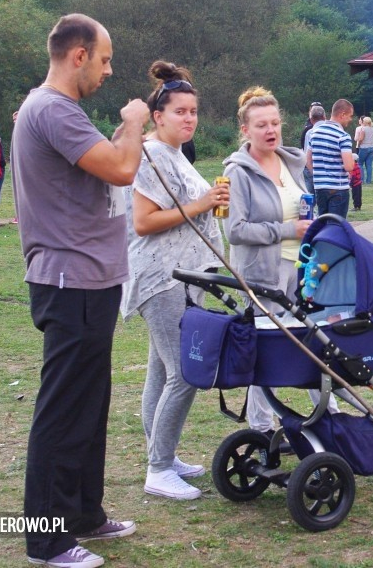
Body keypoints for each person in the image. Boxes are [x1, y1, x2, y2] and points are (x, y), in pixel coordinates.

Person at [14, 14, 147, 567]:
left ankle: (84, 514)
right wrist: (136, 122)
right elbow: (120, 170)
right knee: (64, 410)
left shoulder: (60, 113)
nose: (109, 70)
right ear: (78, 56)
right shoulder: (52, 109)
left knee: (89, 406)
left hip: (91, 279)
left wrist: (121, 135)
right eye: (105, 59)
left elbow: (100, 166)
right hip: (70, 281)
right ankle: (47, 542)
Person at [121, 61, 226, 502]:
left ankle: (161, 454)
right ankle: (158, 468)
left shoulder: (175, 155)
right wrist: (203, 203)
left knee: (161, 370)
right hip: (161, 278)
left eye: (193, 111)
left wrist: (210, 205)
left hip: (184, 278)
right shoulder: (149, 155)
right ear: (157, 115)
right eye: (179, 111)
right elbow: (144, 222)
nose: (188, 118)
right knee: (185, 372)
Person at [223, 86, 338, 435]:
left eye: (274, 123)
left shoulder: (292, 162)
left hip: (300, 269)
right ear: (245, 130)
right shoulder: (237, 172)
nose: (270, 130)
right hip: (260, 273)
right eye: (261, 125)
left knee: (312, 337)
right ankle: (261, 428)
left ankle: (329, 414)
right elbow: (236, 230)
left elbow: (302, 208)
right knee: (264, 350)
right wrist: (287, 230)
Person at [306, 99, 356, 219]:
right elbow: (349, 166)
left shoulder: (314, 133)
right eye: (350, 116)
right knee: (335, 228)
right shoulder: (343, 136)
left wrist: (318, 175)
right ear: (342, 114)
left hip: (320, 188)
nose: (350, 119)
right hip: (338, 188)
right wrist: (353, 158)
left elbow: (308, 161)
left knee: (323, 225)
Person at [300, 103, 325, 194]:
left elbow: (304, 146)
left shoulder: (309, 130)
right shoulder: (309, 129)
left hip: (311, 164)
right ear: (324, 116)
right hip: (318, 165)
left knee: (310, 191)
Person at [354, 115, 373, 184]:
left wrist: (358, 145)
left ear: (365, 122)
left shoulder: (363, 129)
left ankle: (361, 180)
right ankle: (369, 181)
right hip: (372, 147)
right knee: (369, 165)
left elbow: (361, 139)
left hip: (364, 147)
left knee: (360, 163)